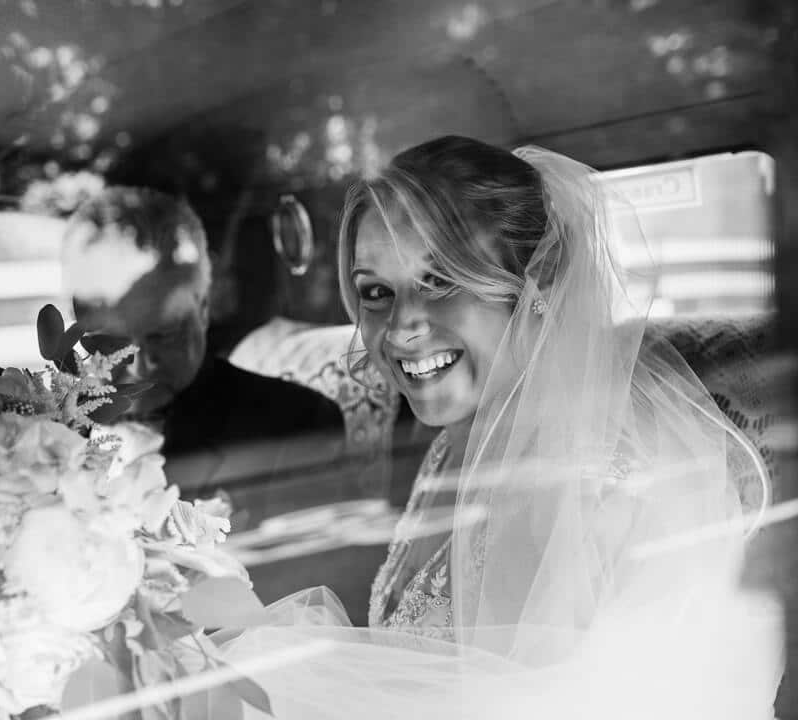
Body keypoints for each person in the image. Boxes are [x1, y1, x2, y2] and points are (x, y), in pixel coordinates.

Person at [204, 137, 784, 719]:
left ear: (538, 283)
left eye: (440, 281)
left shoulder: (602, 492)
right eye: (376, 293)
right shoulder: (450, 446)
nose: (402, 327)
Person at [61, 186, 345, 498]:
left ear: (205, 308)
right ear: (79, 323)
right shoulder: (35, 432)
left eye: (165, 335)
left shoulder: (295, 424)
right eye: (110, 342)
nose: (140, 365)